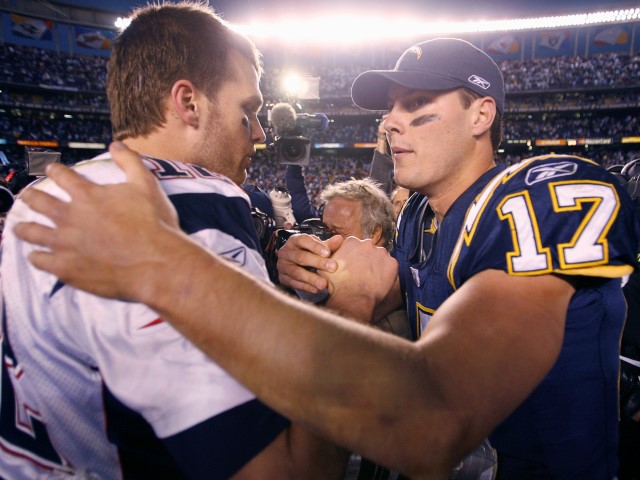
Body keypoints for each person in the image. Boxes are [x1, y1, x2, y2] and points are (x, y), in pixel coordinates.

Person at [12, 38, 639, 479]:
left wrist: (170, 272)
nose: (390, 122)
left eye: (416, 103)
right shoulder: (417, 218)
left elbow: (435, 422)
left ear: (482, 113)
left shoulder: (542, 196)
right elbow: (417, 303)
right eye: (389, 106)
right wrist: (317, 267)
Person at [0, 3, 347, 479]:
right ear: (188, 103)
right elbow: (282, 472)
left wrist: (273, 250)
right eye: (247, 111)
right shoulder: (201, 198)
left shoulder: (41, 196)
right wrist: (349, 307)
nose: (260, 133)